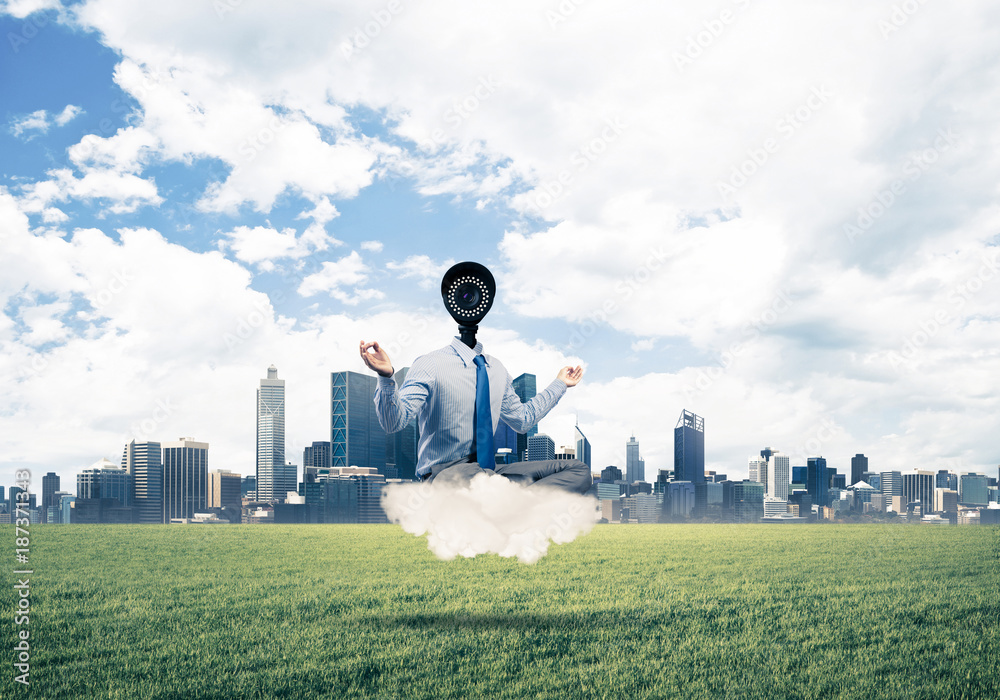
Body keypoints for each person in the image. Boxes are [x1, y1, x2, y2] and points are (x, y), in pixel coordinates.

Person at [359, 337, 592, 493]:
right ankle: (507, 504)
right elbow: (393, 422)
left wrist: (560, 384)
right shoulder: (430, 364)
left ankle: (516, 507)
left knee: (579, 472)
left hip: (488, 472)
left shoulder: (497, 369)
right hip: (444, 475)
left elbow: (523, 419)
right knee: (474, 480)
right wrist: (386, 377)